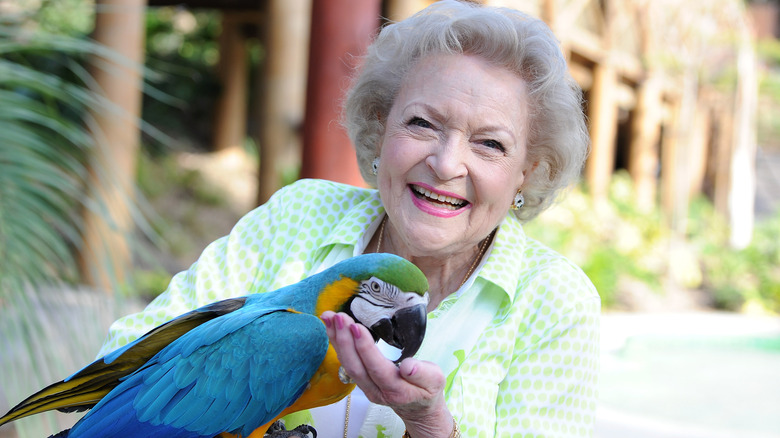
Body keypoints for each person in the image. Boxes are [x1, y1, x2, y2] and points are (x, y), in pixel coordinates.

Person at [98, 1, 600, 437]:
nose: (447, 164)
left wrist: (430, 427)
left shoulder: (554, 301)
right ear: (381, 127)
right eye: (422, 123)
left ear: (526, 172)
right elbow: (128, 365)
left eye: (490, 144)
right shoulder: (299, 216)